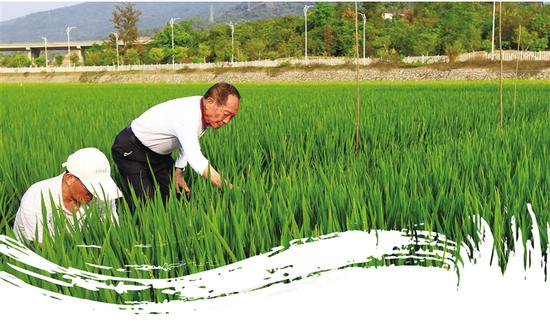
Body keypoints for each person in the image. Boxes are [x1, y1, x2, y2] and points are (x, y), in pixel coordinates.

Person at [111, 82, 240, 202]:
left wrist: (178, 171)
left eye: (232, 117)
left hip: (158, 156)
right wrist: (228, 187)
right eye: (226, 114)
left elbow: (188, 142)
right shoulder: (187, 115)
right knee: (147, 204)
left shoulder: (204, 112)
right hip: (131, 150)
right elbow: (197, 160)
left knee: (178, 197)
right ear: (210, 102)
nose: (227, 121)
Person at [13, 148, 122, 246]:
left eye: (99, 187)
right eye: (90, 187)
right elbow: (43, 246)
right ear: (70, 179)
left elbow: (113, 230)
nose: (94, 194)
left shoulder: (103, 194)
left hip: (77, 246)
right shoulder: (37, 198)